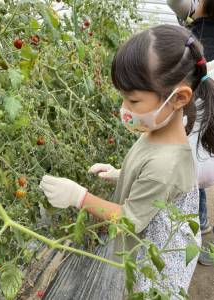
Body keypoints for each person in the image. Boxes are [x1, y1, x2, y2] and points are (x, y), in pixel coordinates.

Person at [39, 25, 214, 296]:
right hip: (147, 249)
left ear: (178, 97)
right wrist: (121, 174)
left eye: (133, 100)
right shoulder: (157, 129)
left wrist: (79, 197)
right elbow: (156, 186)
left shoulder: (165, 164)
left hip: (157, 270)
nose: (125, 109)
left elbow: (130, 220)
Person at [167, 0, 214, 265]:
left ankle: (196, 225)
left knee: (191, 160)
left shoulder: (190, 27)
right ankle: (202, 229)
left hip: (191, 134)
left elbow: (175, 1)